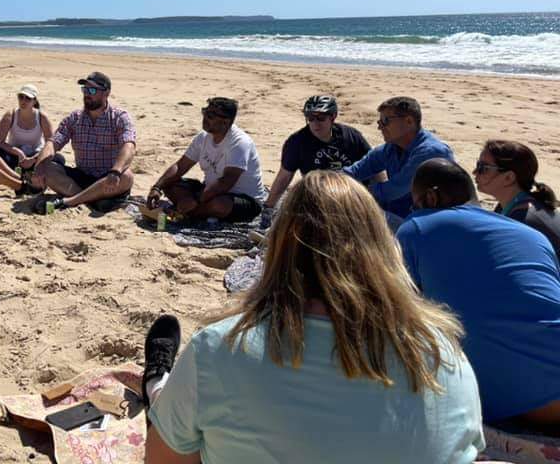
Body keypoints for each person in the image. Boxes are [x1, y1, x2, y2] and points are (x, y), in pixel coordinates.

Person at [141, 170, 484, 463]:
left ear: (279, 248)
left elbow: (161, 460)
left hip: (209, 378)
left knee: (178, 410)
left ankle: (156, 381)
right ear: (384, 250)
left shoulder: (219, 348)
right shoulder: (442, 352)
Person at [398, 158, 560, 433]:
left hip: (530, 402)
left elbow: (398, 313)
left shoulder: (416, 228)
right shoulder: (531, 235)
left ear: (430, 197)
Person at [146, 97, 265, 224]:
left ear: (225, 122)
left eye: (210, 115)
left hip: (242, 198)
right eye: (205, 112)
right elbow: (180, 166)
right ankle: (191, 211)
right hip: (209, 191)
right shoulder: (202, 138)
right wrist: (157, 187)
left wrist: (196, 200)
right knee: (169, 183)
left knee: (219, 205)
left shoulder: (239, 143)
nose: (205, 118)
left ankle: (187, 212)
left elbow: (227, 181)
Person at [261, 94, 372, 226]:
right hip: (318, 196)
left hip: (352, 194)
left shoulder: (351, 136)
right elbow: (284, 176)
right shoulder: (297, 142)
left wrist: (382, 199)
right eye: (310, 118)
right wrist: (269, 207)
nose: (315, 123)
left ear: (333, 116)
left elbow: (374, 166)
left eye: (320, 118)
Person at [31, 71, 136, 211]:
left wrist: (116, 171)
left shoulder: (119, 117)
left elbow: (128, 146)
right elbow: (53, 143)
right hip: (81, 177)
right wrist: (39, 166)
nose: (87, 94)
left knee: (127, 176)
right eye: (84, 89)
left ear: (106, 93)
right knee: (48, 167)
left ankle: (71, 200)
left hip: (108, 178)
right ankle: (88, 199)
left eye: (92, 90)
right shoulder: (75, 118)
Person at [343, 96, 454, 227]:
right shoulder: (392, 147)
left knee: (353, 216)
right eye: (379, 122)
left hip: (428, 224)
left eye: (385, 121)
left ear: (409, 121)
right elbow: (355, 171)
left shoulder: (431, 152)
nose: (380, 127)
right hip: (402, 214)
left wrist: (352, 193)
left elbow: (393, 190)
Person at [473, 140, 560, 257]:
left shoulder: (521, 221)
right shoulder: (514, 205)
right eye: (478, 165)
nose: (474, 172)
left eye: (483, 168)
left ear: (509, 177)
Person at [0, 84, 55, 172]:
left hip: (36, 155)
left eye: (28, 98)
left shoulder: (42, 117)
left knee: (58, 159)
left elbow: (51, 144)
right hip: (14, 154)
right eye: (21, 97)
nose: (23, 101)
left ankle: (24, 170)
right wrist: (18, 152)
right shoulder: (11, 114)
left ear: (35, 101)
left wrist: (33, 159)